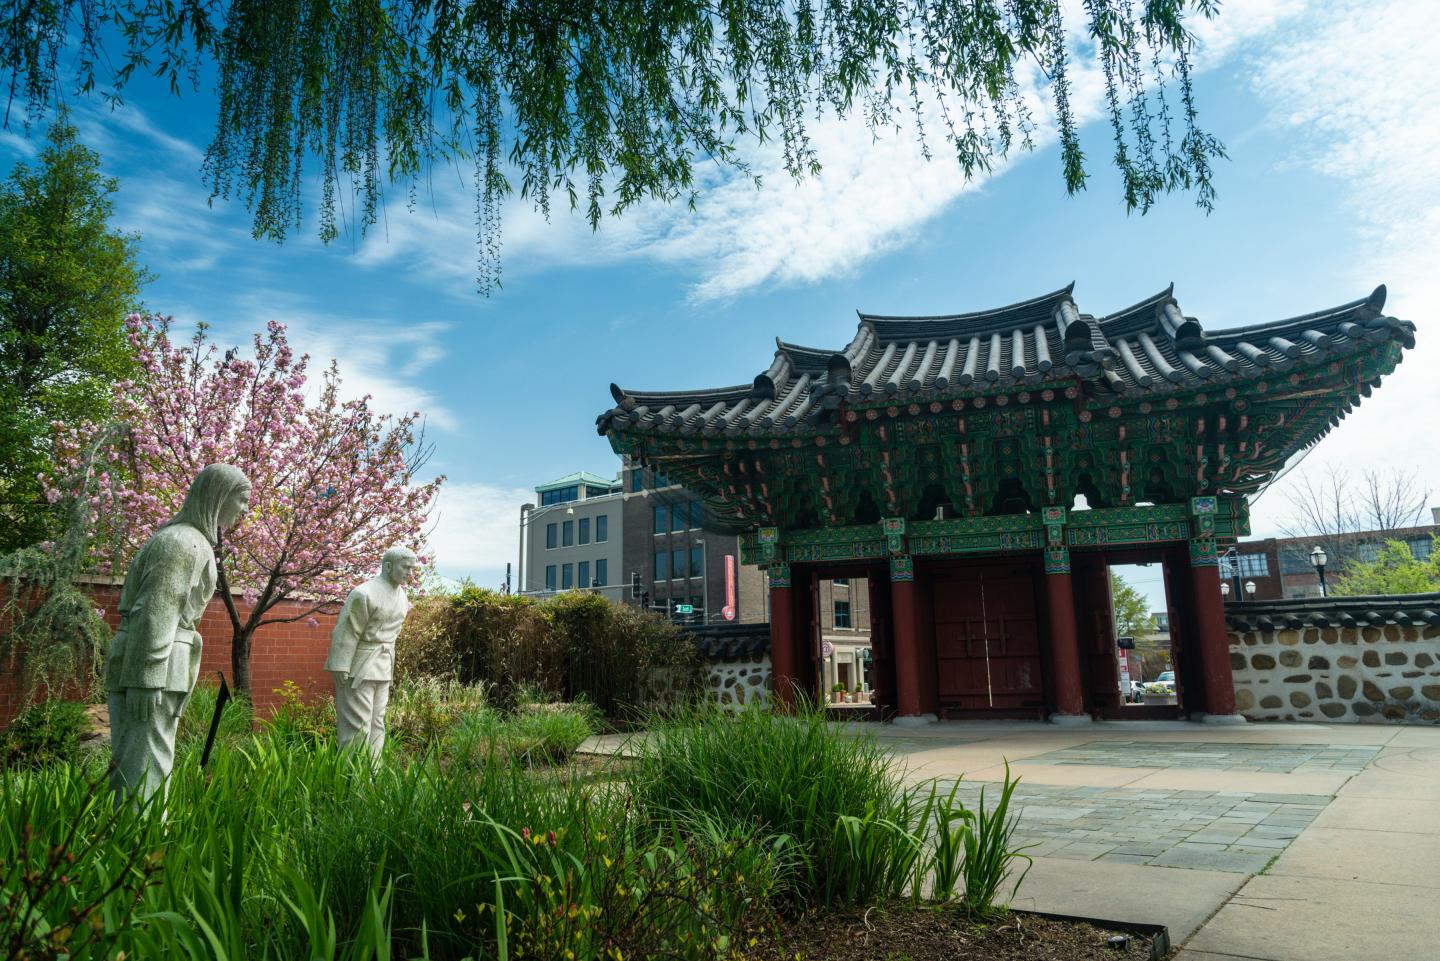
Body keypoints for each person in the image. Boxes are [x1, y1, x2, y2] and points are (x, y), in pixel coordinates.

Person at [106, 464, 252, 804]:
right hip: (154, 665)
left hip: (162, 661)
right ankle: (138, 847)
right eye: (241, 499)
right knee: (144, 766)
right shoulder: (183, 542)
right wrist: (146, 678)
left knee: (143, 762)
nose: (244, 509)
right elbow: (156, 611)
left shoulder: (186, 540)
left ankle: (136, 841)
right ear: (218, 496)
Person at [324, 546, 418, 758]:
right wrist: (340, 665)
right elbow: (346, 631)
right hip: (359, 666)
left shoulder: (401, 596)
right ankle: (352, 777)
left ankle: (373, 774)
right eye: (405, 568)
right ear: (388, 566)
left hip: (383, 665)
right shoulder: (363, 593)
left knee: (377, 721)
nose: (409, 574)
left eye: (412, 569)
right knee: (357, 725)